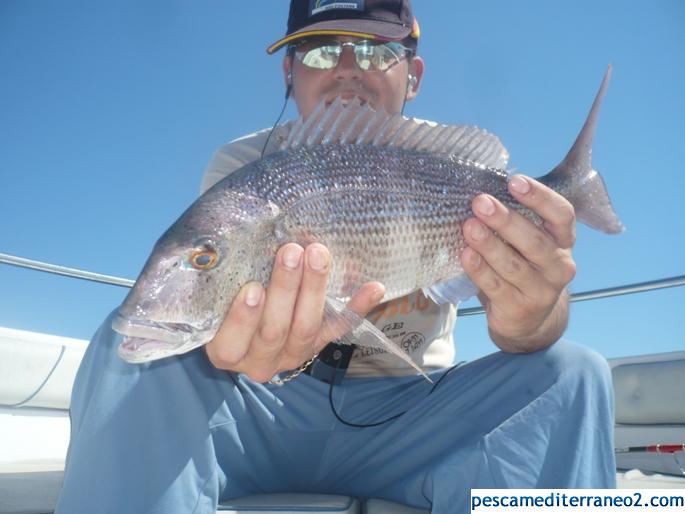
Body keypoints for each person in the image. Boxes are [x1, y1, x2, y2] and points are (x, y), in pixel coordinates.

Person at [55, 2, 616, 513]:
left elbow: (534, 324)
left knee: (573, 375)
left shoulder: (458, 174)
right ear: (289, 72)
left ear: (413, 75)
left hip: (411, 413)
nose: (348, 69)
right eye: (321, 51)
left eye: (375, 51)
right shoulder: (244, 164)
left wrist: (533, 317)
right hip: (261, 409)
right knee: (122, 352)